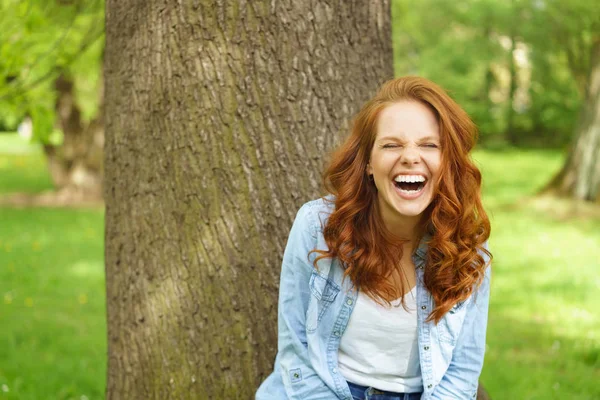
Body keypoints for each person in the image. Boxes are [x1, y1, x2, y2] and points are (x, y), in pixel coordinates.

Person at [256, 76, 492, 400]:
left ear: (447, 162)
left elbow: (462, 372)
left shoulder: (468, 246)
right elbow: (296, 354)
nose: (410, 156)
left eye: (429, 145)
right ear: (368, 163)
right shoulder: (317, 227)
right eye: (392, 144)